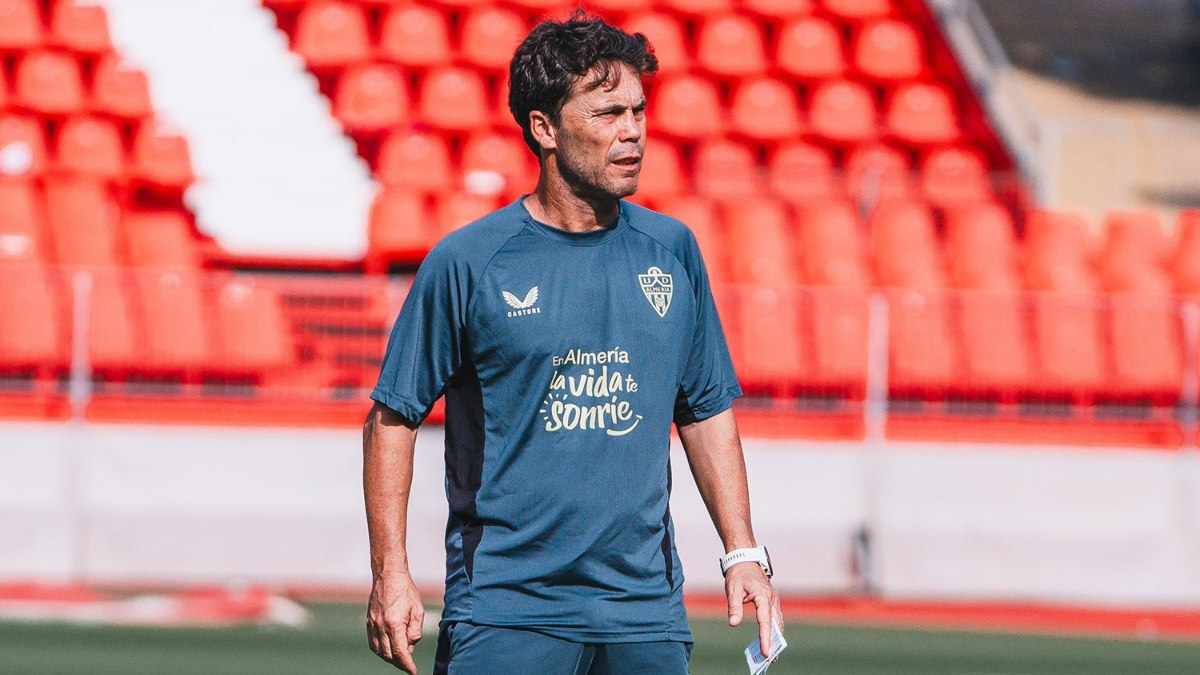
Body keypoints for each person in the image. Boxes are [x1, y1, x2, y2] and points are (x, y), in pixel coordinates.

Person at [363, 11, 782, 674]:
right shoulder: (469, 262)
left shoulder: (672, 251)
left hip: (644, 610)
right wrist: (391, 572)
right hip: (507, 608)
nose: (634, 131)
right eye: (610, 112)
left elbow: (704, 409)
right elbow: (392, 418)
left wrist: (743, 551)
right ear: (545, 128)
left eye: (639, 110)